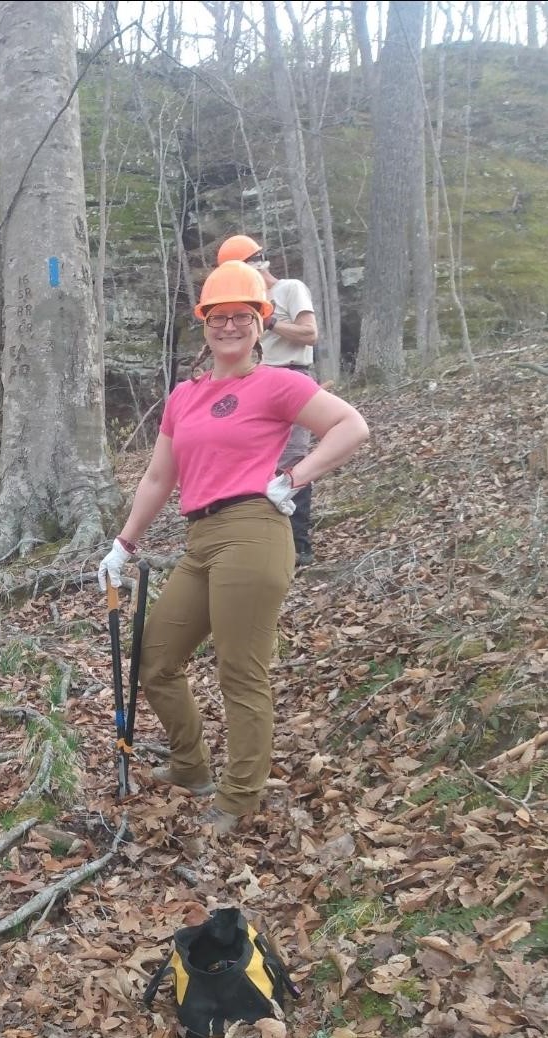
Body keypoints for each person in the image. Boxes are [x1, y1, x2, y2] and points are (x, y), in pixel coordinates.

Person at [98, 263, 367, 835]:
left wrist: (294, 477)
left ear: (260, 322)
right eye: (218, 317)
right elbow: (157, 478)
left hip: (255, 530)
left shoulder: (280, 382)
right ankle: (191, 766)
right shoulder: (184, 396)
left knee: (240, 671)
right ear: (204, 323)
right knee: (155, 660)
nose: (228, 326)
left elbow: (350, 427)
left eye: (241, 316)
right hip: (199, 539)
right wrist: (124, 543)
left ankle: (239, 795)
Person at [217, 234, 319, 565]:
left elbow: (310, 333)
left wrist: (271, 319)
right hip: (258, 381)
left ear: (257, 263)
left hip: (292, 376)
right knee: (257, 461)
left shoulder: (289, 288)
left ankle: (298, 545)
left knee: (291, 459)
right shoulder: (247, 303)